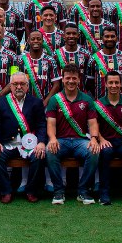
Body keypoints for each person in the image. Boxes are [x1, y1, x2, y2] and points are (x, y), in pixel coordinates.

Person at [45, 64, 100, 205]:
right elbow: (51, 124)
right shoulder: (55, 100)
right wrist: (52, 139)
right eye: (68, 78)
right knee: (50, 151)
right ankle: (58, 191)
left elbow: (93, 123)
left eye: (74, 78)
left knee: (93, 152)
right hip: (61, 140)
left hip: (79, 141)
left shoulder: (87, 99)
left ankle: (83, 190)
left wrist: (94, 139)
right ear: (62, 79)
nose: (71, 81)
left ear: (79, 80)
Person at [0, 72, 47, 204]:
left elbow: (42, 125)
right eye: (15, 84)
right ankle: (6, 191)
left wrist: (42, 142)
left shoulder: (36, 102)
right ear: (10, 86)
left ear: (27, 86)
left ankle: (31, 191)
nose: (18, 87)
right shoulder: (1, 102)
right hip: (9, 142)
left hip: (30, 143)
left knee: (39, 155)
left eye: (22, 84)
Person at [93, 71, 122, 205]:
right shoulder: (98, 104)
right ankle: (104, 192)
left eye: (116, 82)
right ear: (106, 84)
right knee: (105, 152)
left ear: (121, 84)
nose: (114, 85)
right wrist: (101, 140)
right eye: (111, 83)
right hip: (106, 141)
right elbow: (95, 125)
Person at [16, 30, 60, 105]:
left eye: (38, 39)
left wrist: (46, 102)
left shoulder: (50, 60)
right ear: (28, 41)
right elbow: (13, 81)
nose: (36, 41)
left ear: (42, 41)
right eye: (33, 39)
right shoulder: (19, 60)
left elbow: (56, 84)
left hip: (45, 104)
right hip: (24, 103)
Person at [88, 26, 122, 99]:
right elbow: (90, 83)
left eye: (112, 36)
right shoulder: (94, 59)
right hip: (101, 105)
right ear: (102, 38)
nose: (110, 39)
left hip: (121, 104)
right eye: (107, 36)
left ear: (117, 38)